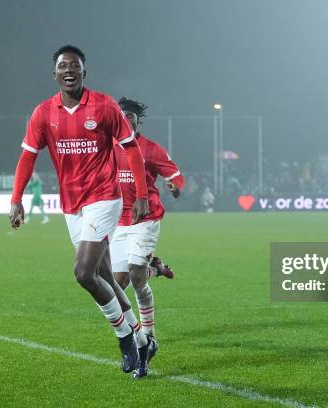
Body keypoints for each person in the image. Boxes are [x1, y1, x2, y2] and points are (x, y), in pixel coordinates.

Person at [8, 45, 149, 375]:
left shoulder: (103, 106)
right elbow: (28, 156)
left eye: (75, 65)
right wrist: (16, 199)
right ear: (54, 74)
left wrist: (140, 194)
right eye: (62, 66)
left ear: (85, 72)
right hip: (72, 205)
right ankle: (144, 340)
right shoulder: (44, 113)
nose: (68, 70)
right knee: (102, 276)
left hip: (103, 197)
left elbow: (131, 149)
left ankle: (125, 337)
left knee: (83, 273)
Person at [110, 97, 184, 378]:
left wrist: (175, 187)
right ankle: (155, 268)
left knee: (134, 275)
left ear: (138, 120)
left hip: (146, 217)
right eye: (122, 116)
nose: (127, 120)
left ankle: (148, 337)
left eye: (131, 116)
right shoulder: (108, 146)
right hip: (118, 220)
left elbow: (175, 175)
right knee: (118, 284)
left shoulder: (150, 149)